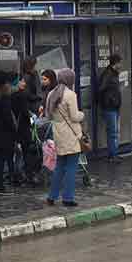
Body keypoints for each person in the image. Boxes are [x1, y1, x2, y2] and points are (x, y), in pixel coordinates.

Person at [44, 69, 85, 207]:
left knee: (59, 166)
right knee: (71, 167)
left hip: (58, 133)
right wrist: (82, 115)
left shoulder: (51, 94)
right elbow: (74, 116)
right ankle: (68, 198)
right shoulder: (70, 95)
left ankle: (52, 196)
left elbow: (48, 115)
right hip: (71, 135)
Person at [96, 54, 124, 159]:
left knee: (114, 132)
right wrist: (110, 99)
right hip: (109, 107)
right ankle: (113, 155)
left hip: (113, 106)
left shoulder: (113, 73)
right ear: (116, 63)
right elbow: (101, 89)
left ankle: (114, 153)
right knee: (113, 132)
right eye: (120, 63)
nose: (121, 65)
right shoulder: (108, 74)